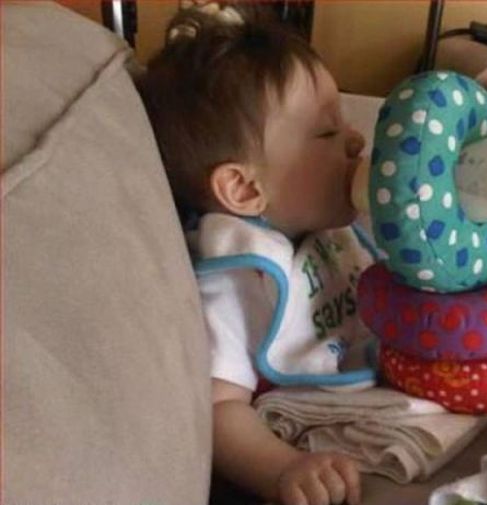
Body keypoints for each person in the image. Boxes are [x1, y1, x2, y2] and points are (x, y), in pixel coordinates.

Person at [136, 5, 376, 505]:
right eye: (327, 132)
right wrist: (282, 469)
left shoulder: (322, 236)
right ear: (245, 189)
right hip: (295, 442)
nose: (356, 140)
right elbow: (221, 407)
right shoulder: (239, 276)